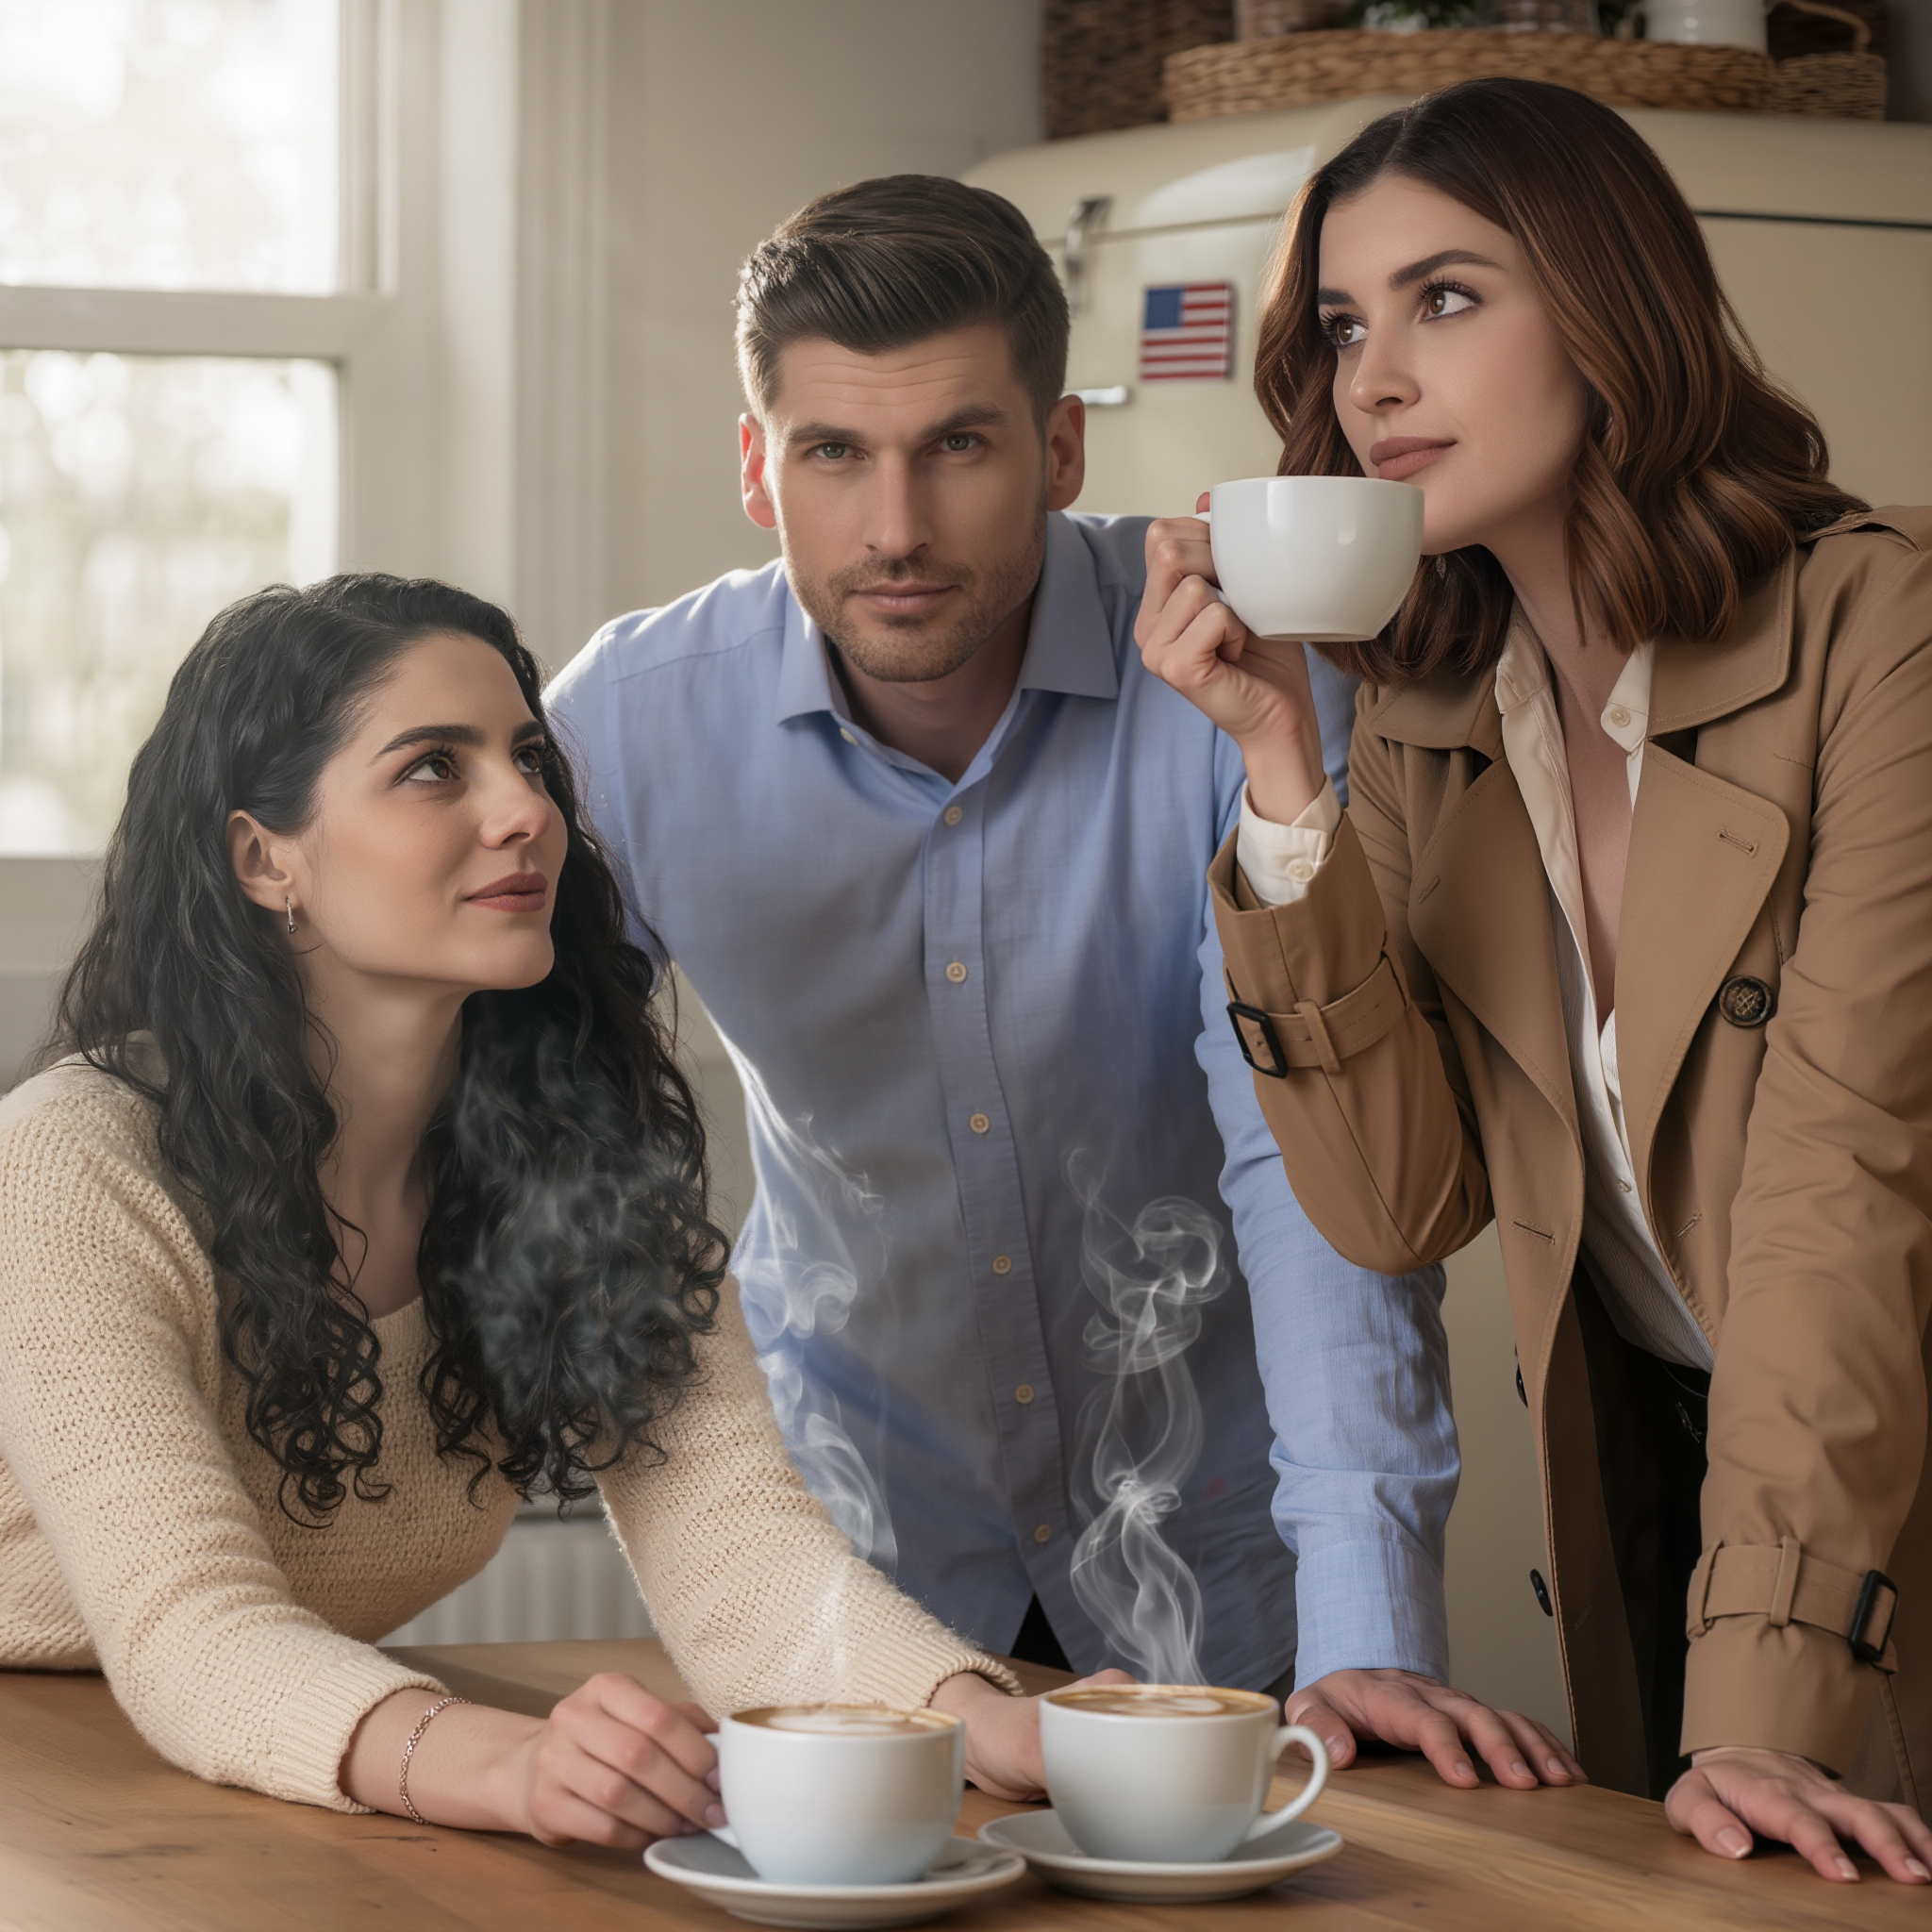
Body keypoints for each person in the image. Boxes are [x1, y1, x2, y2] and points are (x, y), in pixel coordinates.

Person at [548, 174, 1578, 1791]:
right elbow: (528, 1141)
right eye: (834, 453)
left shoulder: (1234, 682)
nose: (896, 529)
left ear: (1063, 448)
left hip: (1227, 1559)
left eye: (959, 445)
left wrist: (1370, 1623)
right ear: (758, 466)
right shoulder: (626, 728)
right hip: (851, 1577)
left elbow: (1304, 1171)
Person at [1136, 75, 1932, 1885]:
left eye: (1447, 298)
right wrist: (1283, 778)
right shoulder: (1425, 717)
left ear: (1610, 305)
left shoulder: (1883, 632)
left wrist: (1758, 1711)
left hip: (1858, 1496)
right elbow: (1401, 1202)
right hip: (1671, 1503)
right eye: (1345, 325)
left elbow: (1849, 1181)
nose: (1374, 381)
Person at [0, 574, 1072, 1840]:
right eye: (433, 770)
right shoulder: (73, 1162)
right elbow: (192, 1627)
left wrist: (978, 1718)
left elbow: (737, 1545)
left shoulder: (571, 1146)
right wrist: (510, 1766)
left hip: (233, 1766)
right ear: (263, 858)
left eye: (526, 760)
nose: (526, 813)